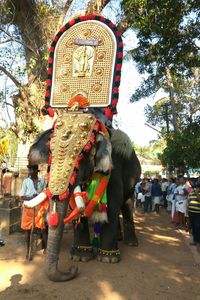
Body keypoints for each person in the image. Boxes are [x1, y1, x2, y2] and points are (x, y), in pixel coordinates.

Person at [20, 165, 47, 260]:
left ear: (36, 170)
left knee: (43, 229)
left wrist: (39, 196)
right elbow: (22, 197)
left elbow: (45, 194)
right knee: (27, 230)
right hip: (28, 208)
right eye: (29, 169)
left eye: (32, 169)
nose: (30, 171)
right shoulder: (26, 181)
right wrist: (32, 198)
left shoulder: (42, 181)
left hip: (39, 208)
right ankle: (28, 251)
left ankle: (46, 248)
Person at [188, 183, 200, 252]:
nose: (195, 188)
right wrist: (187, 209)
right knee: (193, 227)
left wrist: (197, 193)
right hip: (191, 212)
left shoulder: (197, 194)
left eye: (197, 187)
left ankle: (197, 241)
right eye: (195, 187)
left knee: (197, 227)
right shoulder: (191, 193)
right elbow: (189, 201)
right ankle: (195, 240)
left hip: (198, 213)